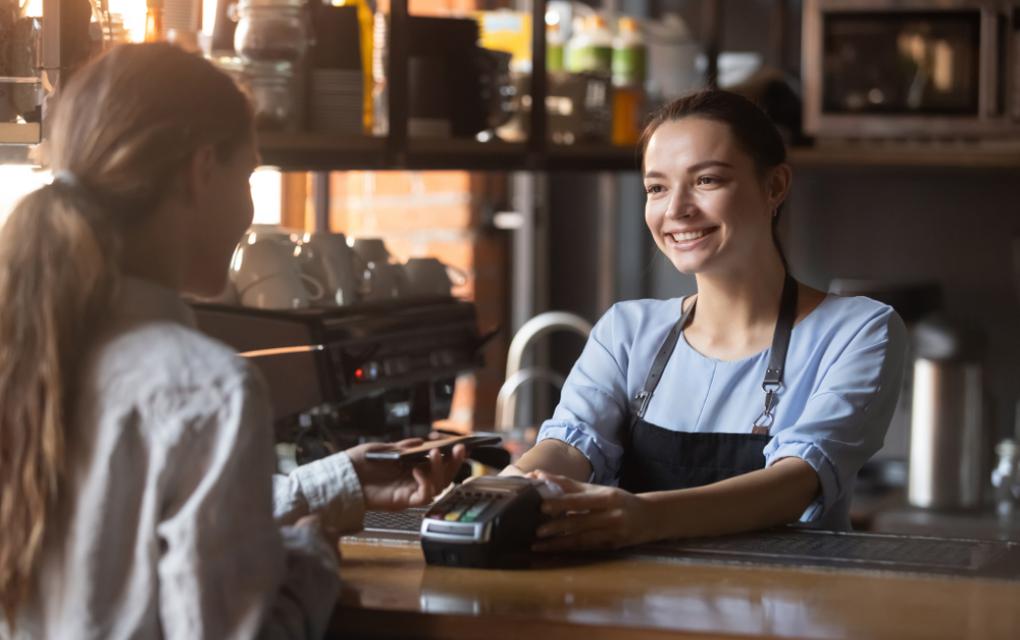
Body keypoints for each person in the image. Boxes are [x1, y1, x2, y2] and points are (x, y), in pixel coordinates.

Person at [0, 43, 464, 639]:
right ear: (200, 172)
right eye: (248, 175)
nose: (250, 208)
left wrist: (337, 483)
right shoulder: (209, 387)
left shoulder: (25, 347)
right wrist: (310, 561)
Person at [503, 90, 907, 551]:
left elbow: (797, 482)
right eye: (656, 188)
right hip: (639, 609)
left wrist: (645, 517)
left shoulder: (858, 331)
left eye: (707, 180)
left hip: (786, 611)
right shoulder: (626, 331)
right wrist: (505, 490)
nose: (676, 210)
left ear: (774, 187)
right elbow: (571, 446)